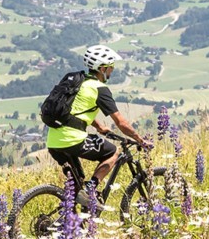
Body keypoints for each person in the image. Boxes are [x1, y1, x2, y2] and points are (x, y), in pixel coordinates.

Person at [47, 44, 151, 195]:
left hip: (53, 141)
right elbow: (120, 122)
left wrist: (99, 127)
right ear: (102, 69)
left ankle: (74, 214)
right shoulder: (99, 89)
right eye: (110, 66)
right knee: (113, 152)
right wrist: (139, 139)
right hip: (72, 140)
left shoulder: (77, 81)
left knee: (77, 185)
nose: (112, 69)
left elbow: (74, 111)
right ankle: (92, 189)